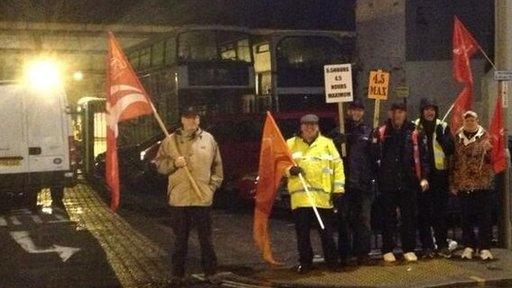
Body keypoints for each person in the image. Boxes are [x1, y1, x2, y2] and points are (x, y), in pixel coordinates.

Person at [154, 106, 223, 285]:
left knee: (206, 240)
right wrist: (174, 163)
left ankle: (211, 273)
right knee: (180, 241)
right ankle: (177, 275)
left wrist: (212, 187)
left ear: (199, 120)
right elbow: (159, 165)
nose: (192, 121)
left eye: (195, 118)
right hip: (179, 199)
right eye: (188, 117)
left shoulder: (209, 139)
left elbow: (217, 167)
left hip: (202, 198)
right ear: (182, 120)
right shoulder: (170, 141)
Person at [286, 113, 345, 273]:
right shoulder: (290, 144)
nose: (310, 128)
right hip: (301, 197)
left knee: (326, 233)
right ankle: (305, 263)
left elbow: (337, 166)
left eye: (313, 125)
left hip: (322, 197)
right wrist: (289, 170)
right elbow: (280, 164)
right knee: (302, 235)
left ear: (317, 127)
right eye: (306, 125)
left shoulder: (327, 144)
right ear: (301, 127)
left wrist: (338, 189)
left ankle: (332, 262)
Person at [372, 103, 429, 263]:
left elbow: (423, 157)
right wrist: (374, 142)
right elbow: (374, 157)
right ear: (390, 113)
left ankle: (408, 249)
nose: (398, 115)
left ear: (405, 114)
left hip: (408, 182)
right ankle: (387, 249)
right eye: (395, 112)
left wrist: (423, 177)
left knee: (408, 217)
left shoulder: (414, 132)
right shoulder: (382, 132)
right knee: (387, 218)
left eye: (401, 112)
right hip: (387, 183)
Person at [331, 99, 376, 266]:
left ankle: (362, 253)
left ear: (363, 113)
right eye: (354, 110)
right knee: (344, 220)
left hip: (363, 185)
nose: (356, 113)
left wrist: (375, 146)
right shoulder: (339, 131)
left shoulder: (368, 132)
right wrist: (337, 142)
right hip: (344, 184)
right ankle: (344, 254)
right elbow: (331, 155)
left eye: (360, 110)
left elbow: (373, 158)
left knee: (363, 220)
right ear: (348, 111)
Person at [450, 111, 494, 260]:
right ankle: (469, 246)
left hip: (482, 184)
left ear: (477, 120)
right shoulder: (457, 137)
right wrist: (453, 182)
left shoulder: (486, 136)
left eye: (472, 119)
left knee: (484, 217)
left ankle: (485, 247)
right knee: (465, 217)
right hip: (463, 184)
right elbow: (453, 160)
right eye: (467, 119)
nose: (469, 122)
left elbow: (493, 160)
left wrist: (490, 151)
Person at [413, 98, 454, 258]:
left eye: (432, 109)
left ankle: (442, 245)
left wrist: (442, 137)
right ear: (422, 112)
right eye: (426, 109)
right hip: (422, 176)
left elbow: (451, 149)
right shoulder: (415, 126)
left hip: (439, 176)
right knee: (423, 213)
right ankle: (427, 247)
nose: (430, 112)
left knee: (440, 213)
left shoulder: (443, 126)